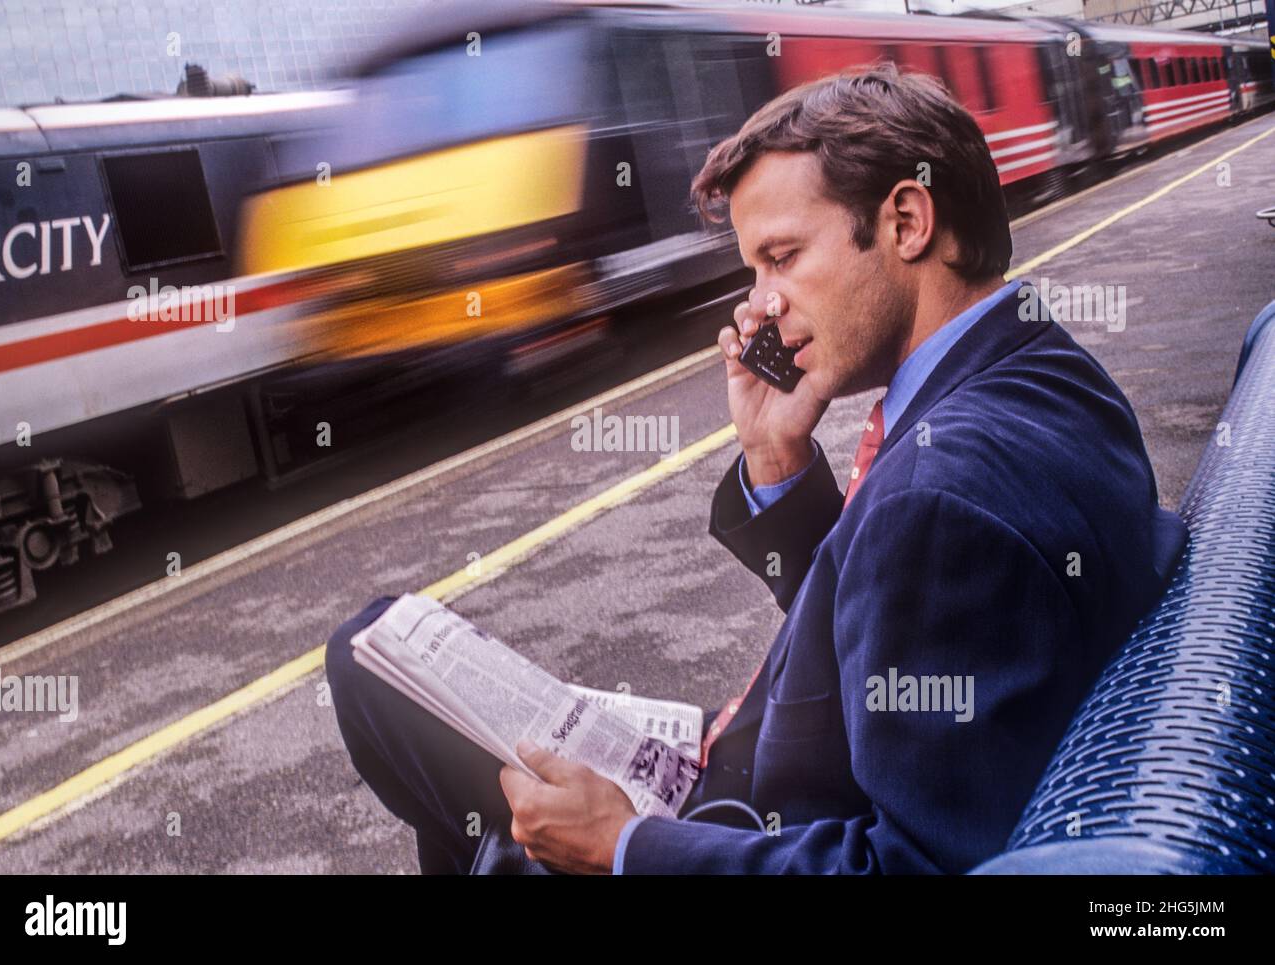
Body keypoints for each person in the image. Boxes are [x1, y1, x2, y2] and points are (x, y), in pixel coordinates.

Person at [325, 63, 1187, 874]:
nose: (760, 307)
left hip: (750, 823)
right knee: (383, 659)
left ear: (907, 222)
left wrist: (625, 847)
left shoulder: (939, 497)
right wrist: (776, 454)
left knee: (373, 673)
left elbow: (909, 863)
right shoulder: (1042, 366)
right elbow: (903, 627)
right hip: (778, 770)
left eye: (781, 258)